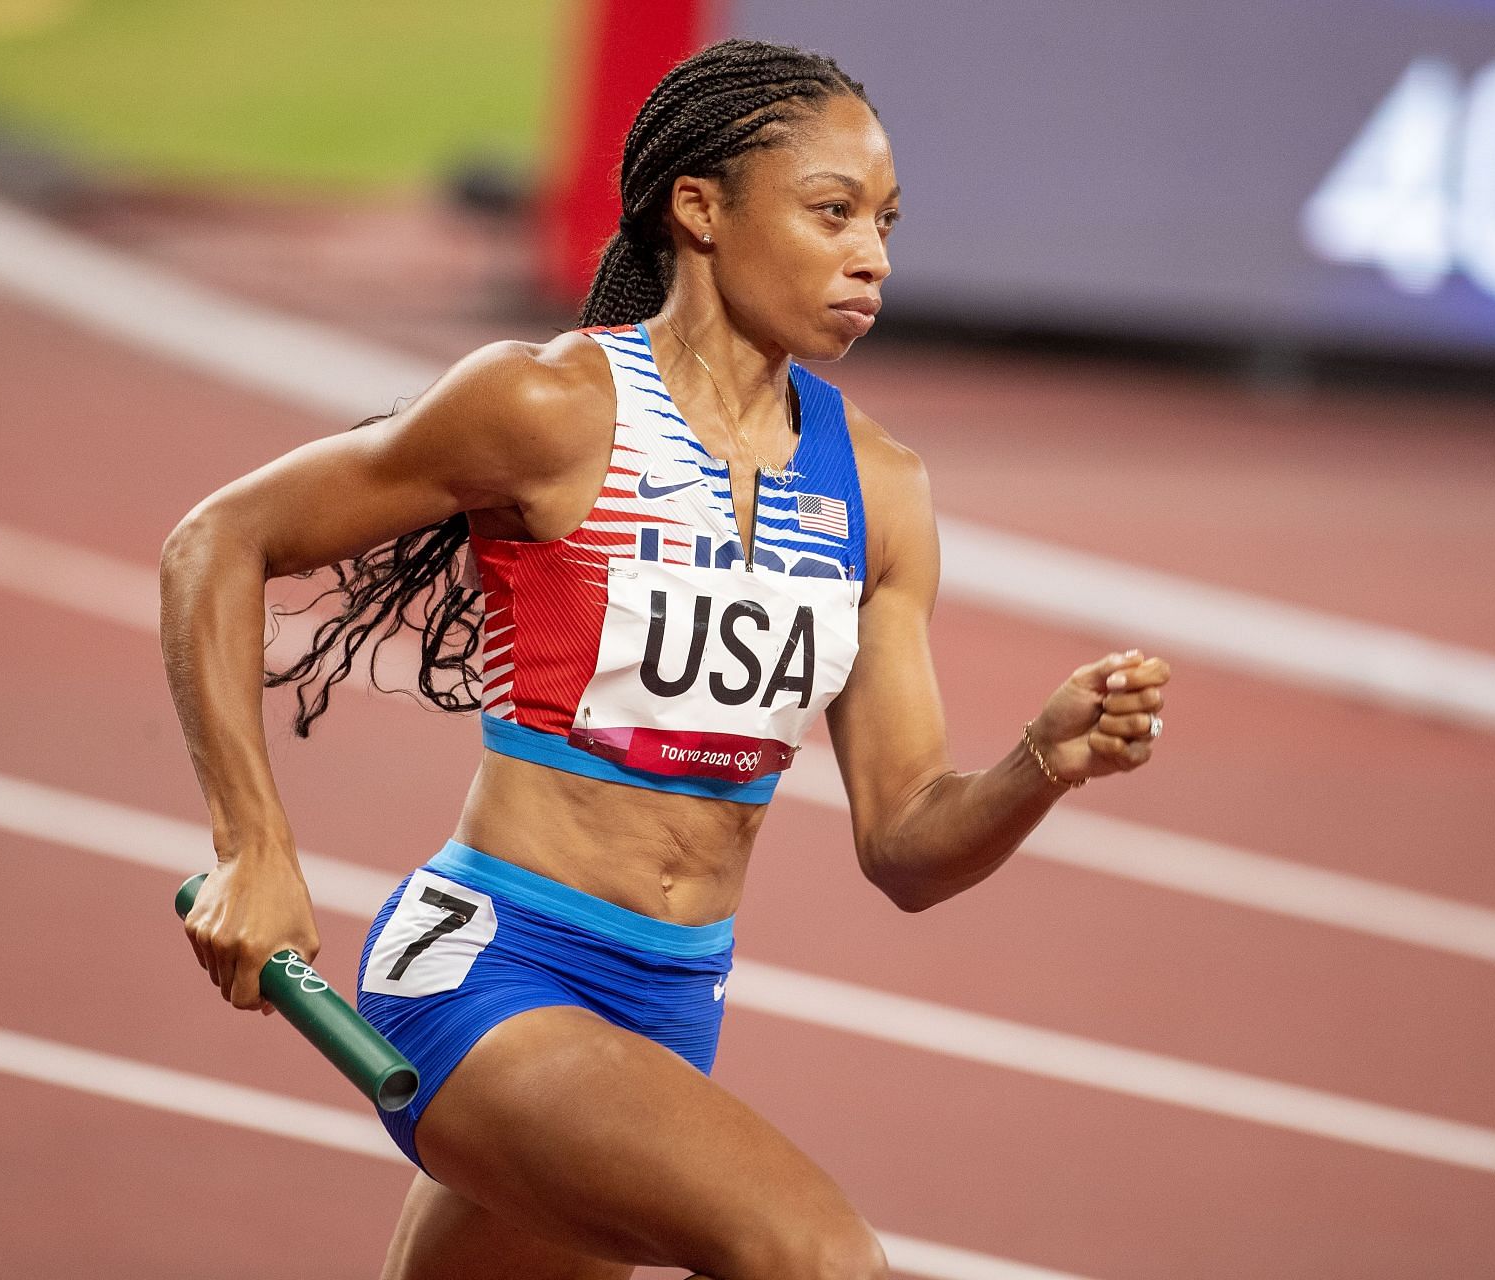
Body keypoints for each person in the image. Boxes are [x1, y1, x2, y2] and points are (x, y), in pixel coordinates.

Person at [160, 36, 1169, 1280]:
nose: (875, 256)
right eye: (832, 211)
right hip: (493, 970)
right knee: (819, 1258)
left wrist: (1038, 760)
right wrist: (252, 845)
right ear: (700, 208)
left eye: (888, 223)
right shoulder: (550, 408)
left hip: (670, 1008)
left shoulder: (884, 492)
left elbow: (907, 842)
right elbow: (220, 539)